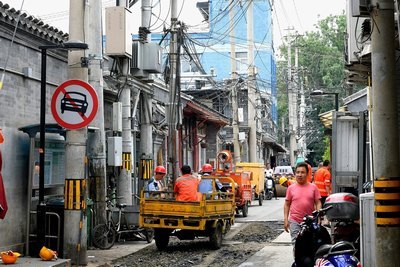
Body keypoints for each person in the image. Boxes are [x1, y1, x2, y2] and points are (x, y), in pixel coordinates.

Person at [284, 162, 321, 246]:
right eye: (298, 172)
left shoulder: (313, 187)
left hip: (310, 222)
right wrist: (286, 219)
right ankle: (297, 259)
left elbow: (318, 202)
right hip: (295, 221)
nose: (299, 175)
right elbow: (287, 204)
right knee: (296, 245)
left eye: (302, 172)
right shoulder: (291, 188)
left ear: (307, 174)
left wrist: (318, 216)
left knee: (309, 245)